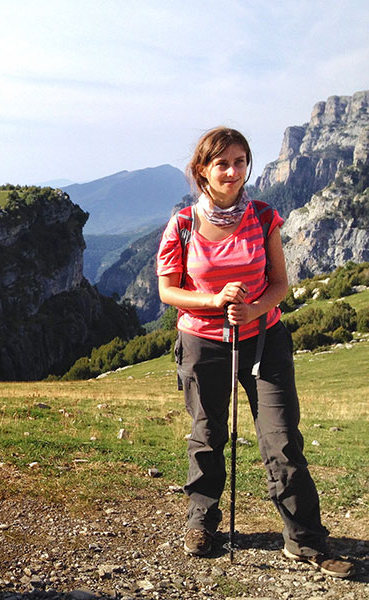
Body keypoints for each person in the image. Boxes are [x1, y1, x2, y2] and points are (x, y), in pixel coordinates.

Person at [156, 126, 353, 578]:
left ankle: (303, 540)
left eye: (241, 161)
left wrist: (254, 309)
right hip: (203, 343)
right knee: (207, 433)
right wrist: (215, 302)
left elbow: (281, 284)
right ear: (202, 170)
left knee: (281, 437)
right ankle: (201, 522)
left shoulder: (264, 217)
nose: (233, 171)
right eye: (222, 163)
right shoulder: (183, 224)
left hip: (265, 340)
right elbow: (168, 291)